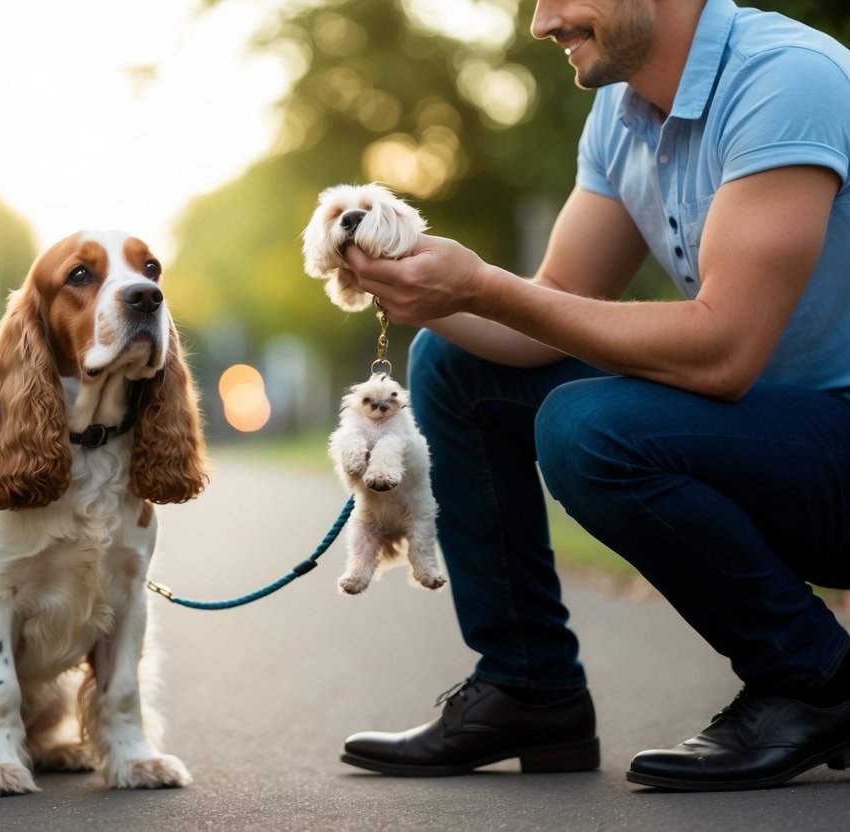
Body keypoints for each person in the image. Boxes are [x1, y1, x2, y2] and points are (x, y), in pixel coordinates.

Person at [338, 0, 850, 791]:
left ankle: (813, 680)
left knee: (591, 427)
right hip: (778, 432)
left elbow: (723, 353)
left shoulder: (786, 80)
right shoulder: (620, 110)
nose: (542, 22)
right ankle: (529, 686)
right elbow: (549, 312)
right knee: (450, 359)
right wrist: (440, 291)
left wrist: (479, 284)